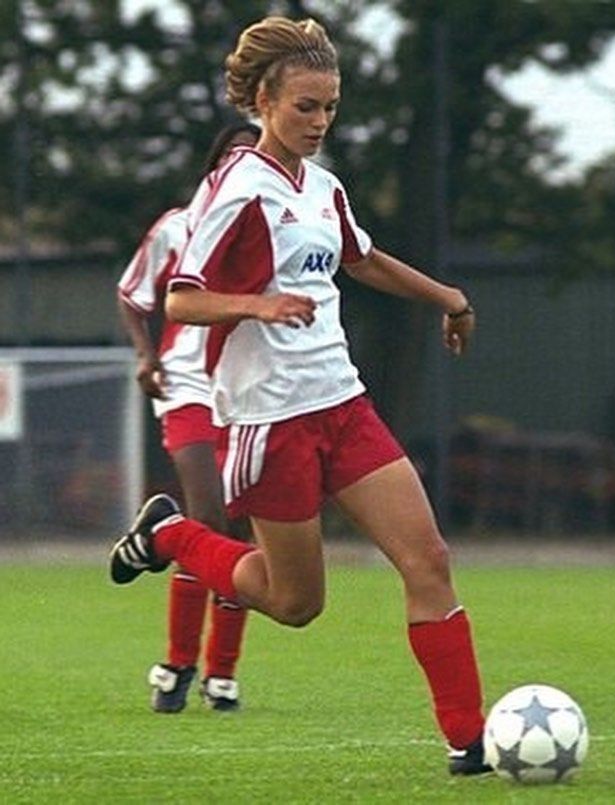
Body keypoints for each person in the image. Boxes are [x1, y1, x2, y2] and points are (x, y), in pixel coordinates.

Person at [110, 16, 490, 775]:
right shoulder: (234, 189)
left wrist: (446, 295)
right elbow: (182, 301)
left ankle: (470, 743)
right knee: (294, 603)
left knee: (429, 561)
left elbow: (364, 257)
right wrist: (256, 305)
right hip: (268, 420)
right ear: (262, 101)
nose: (319, 123)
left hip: (342, 405)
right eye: (305, 107)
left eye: (330, 107)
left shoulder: (322, 186)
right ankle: (172, 536)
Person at [116, 120, 261, 713]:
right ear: (213, 164)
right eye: (233, 155)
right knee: (207, 518)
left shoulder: (276, 228)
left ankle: (220, 672)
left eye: (253, 156)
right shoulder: (180, 226)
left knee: (243, 531)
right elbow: (133, 295)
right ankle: (178, 664)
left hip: (250, 388)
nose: (245, 165)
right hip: (188, 382)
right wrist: (146, 354)